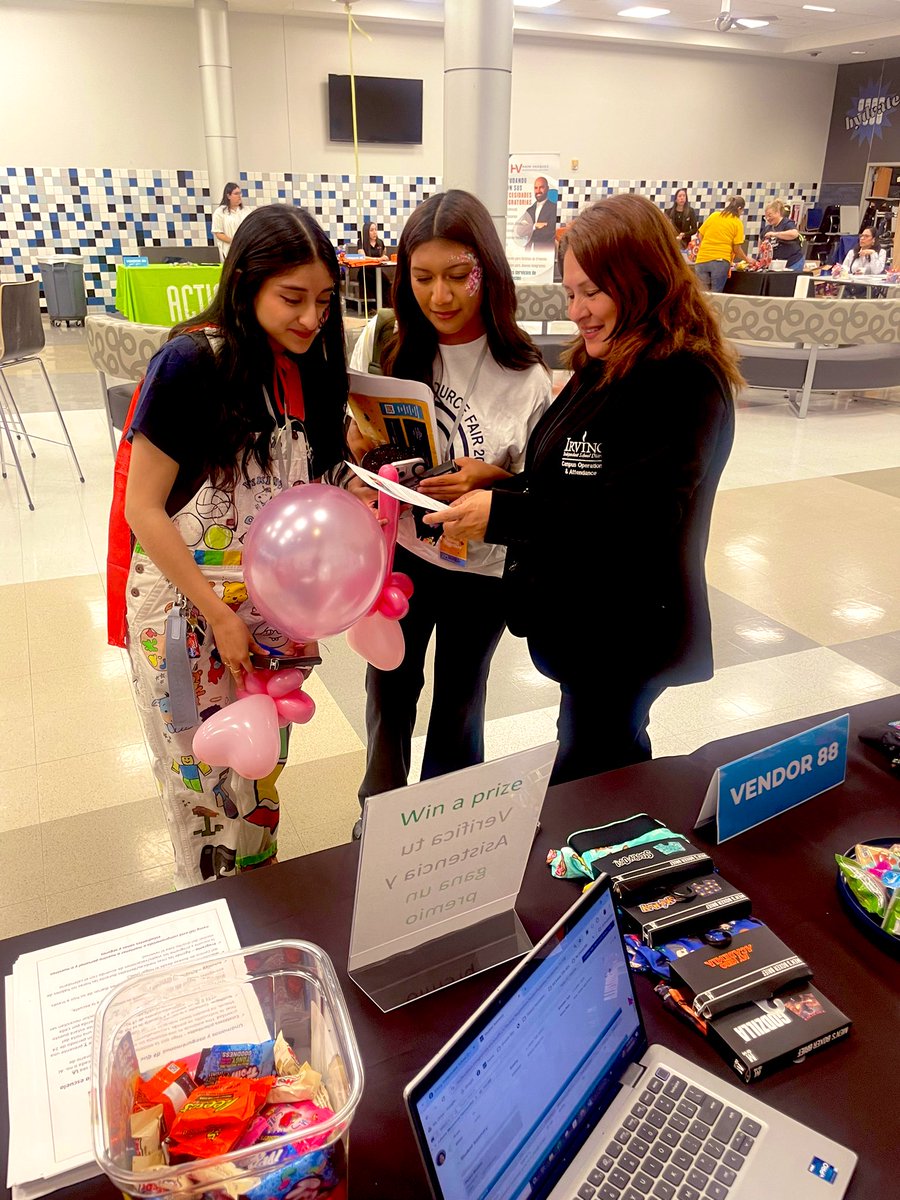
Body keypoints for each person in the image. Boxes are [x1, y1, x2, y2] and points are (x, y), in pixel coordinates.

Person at [424, 194, 740, 786]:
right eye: (570, 293)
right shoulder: (609, 360)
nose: (578, 311)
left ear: (644, 278)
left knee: (597, 772)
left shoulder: (682, 379)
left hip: (629, 631)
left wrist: (503, 515)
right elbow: (573, 479)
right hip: (591, 627)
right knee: (591, 751)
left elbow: (633, 516)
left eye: (592, 291)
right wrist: (500, 480)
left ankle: (614, 868)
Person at [121, 205, 349, 887]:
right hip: (186, 615)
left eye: (324, 301)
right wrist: (217, 615)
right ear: (245, 282)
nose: (311, 317)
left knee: (257, 781)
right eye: (292, 298)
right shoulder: (192, 361)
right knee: (202, 786)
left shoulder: (310, 369)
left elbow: (315, 480)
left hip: (267, 617)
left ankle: (257, 901)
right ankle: (211, 918)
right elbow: (144, 507)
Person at [348, 189, 552, 822]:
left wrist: (493, 480)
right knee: (389, 689)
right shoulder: (387, 346)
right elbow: (349, 447)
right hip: (401, 557)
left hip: (482, 572)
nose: (441, 296)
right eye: (423, 277)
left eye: (458, 276)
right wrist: (355, 448)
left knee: (460, 700)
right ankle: (378, 814)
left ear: (486, 270)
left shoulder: (526, 375)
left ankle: (447, 825)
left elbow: (545, 495)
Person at [694, 195, 754, 291]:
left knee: (703, 296)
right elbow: (736, 249)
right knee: (716, 296)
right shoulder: (737, 223)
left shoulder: (714, 215)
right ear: (739, 209)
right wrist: (747, 259)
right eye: (742, 211)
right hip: (720, 261)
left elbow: (700, 235)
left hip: (701, 260)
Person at [760, 199, 805, 272]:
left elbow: (794, 234)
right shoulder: (767, 229)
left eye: (770, 215)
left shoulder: (787, 223)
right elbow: (761, 246)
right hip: (776, 266)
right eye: (766, 217)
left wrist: (775, 234)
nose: (768, 219)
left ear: (778, 213)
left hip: (793, 262)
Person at [356, 219, 390, 310]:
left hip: (377, 271)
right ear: (366, 232)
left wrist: (384, 257)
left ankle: (387, 308)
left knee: (386, 283)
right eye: (371, 230)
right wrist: (378, 259)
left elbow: (383, 254)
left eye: (375, 229)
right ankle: (379, 308)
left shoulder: (380, 242)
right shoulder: (361, 243)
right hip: (365, 272)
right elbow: (363, 257)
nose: (374, 232)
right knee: (374, 283)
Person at [211, 182, 248, 261]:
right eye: (236, 193)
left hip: (245, 250)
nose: (239, 196)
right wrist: (234, 242)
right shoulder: (220, 212)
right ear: (228, 196)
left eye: (240, 193)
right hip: (228, 251)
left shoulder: (246, 211)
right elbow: (218, 233)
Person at [523, 177, 558, 250]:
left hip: (545, 254)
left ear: (547, 188)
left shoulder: (554, 208)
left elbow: (550, 233)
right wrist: (535, 226)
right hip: (527, 255)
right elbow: (520, 231)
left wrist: (528, 229)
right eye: (536, 188)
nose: (538, 191)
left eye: (541, 187)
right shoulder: (529, 210)